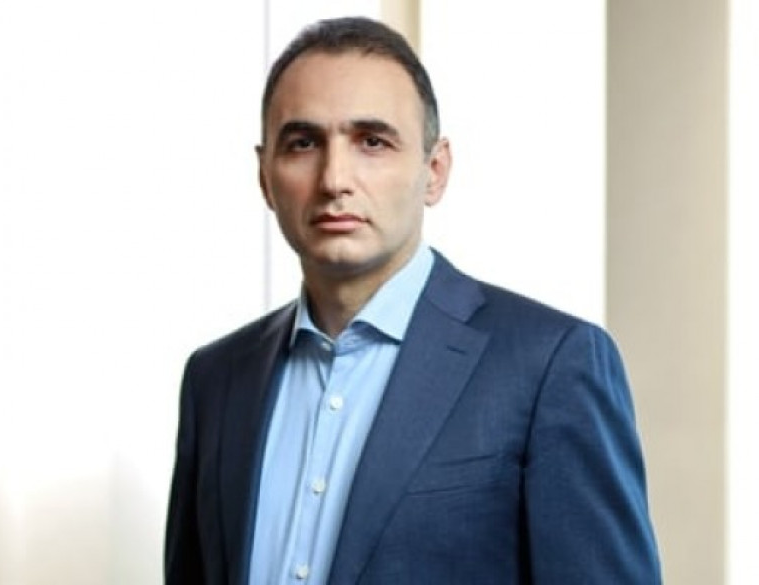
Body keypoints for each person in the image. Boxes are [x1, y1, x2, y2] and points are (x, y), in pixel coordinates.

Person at [165, 16, 662, 585]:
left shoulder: (551, 365)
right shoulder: (215, 380)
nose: (334, 179)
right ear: (264, 175)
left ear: (435, 170)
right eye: (303, 143)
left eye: (372, 142)